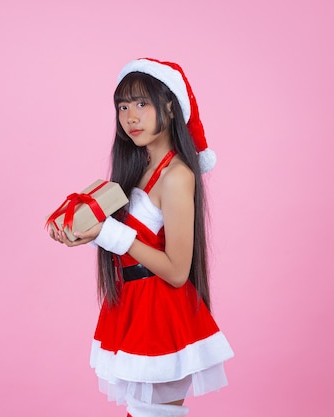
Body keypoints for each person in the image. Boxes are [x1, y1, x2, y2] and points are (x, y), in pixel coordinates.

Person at [48, 58, 234, 417]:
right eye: (123, 106)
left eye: (141, 103)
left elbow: (178, 270)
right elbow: (131, 239)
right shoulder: (141, 168)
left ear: (169, 105)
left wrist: (110, 233)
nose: (130, 116)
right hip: (132, 307)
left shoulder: (177, 175)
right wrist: (87, 234)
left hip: (163, 314)